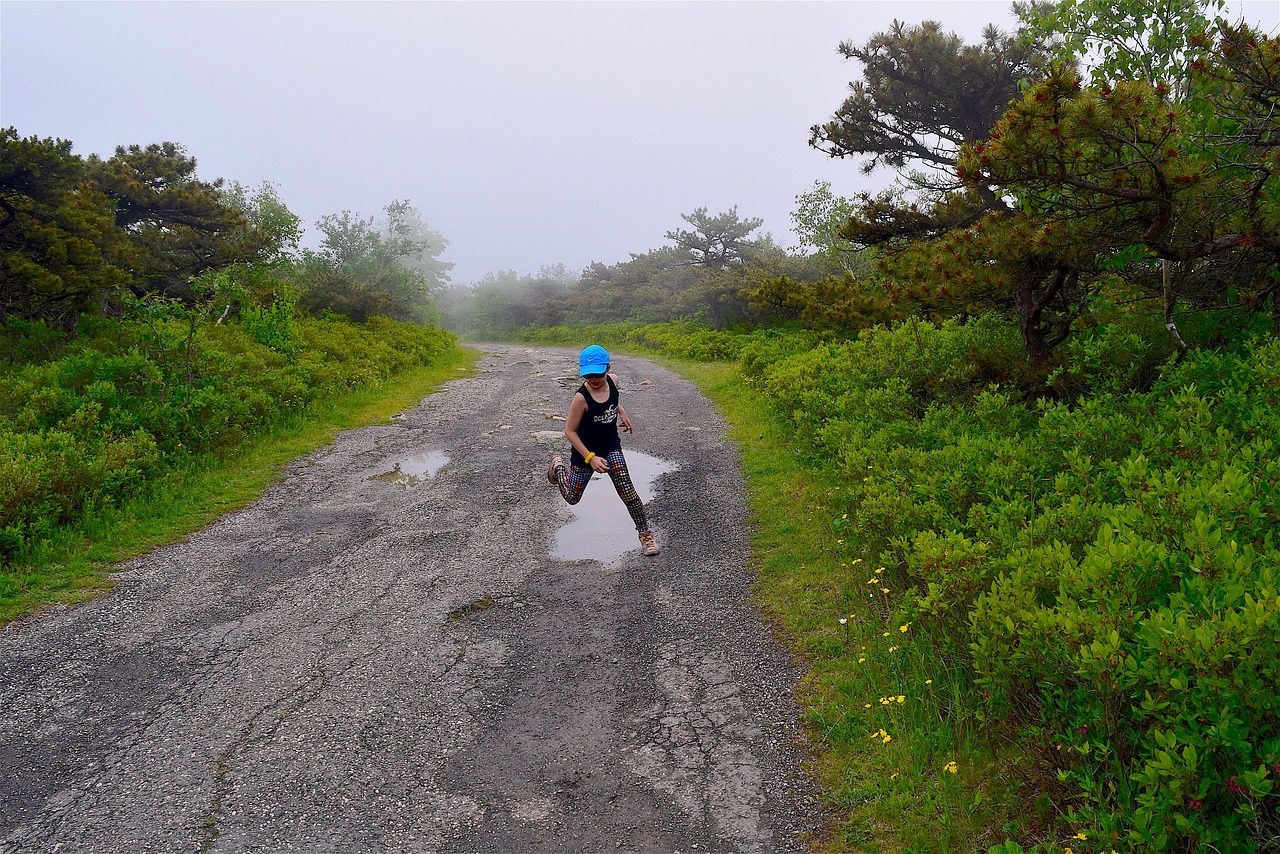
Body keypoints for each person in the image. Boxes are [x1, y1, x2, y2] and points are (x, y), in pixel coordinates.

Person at [547, 345, 660, 556]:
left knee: (627, 491)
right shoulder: (581, 398)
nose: (593, 379)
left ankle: (645, 535)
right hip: (585, 452)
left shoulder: (613, 380)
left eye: (598, 374)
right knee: (572, 497)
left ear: (607, 368)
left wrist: (623, 413)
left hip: (609, 447)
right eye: (588, 375)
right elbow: (569, 432)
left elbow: (613, 398)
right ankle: (558, 465)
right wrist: (590, 458)